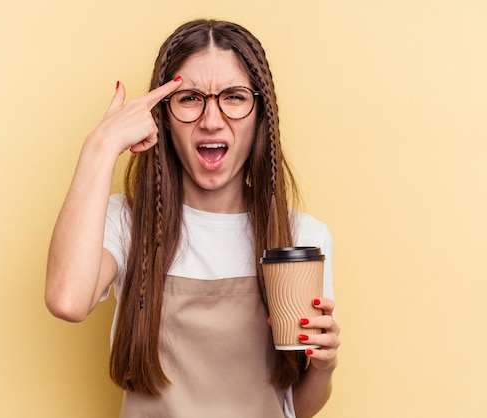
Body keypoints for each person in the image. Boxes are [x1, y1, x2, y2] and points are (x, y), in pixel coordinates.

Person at [45, 19, 340, 418]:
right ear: (163, 115)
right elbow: (66, 300)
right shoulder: (127, 222)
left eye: (234, 97)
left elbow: (295, 408)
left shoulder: (301, 238)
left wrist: (323, 367)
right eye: (189, 98)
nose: (211, 120)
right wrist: (101, 145)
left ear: (260, 116)